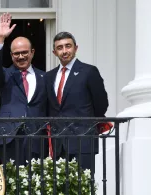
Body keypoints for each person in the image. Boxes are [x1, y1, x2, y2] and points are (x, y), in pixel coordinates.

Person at [0, 13, 48, 165]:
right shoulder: (5, 75)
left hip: (36, 138)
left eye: (24, 52)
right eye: (16, 53)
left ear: (32, 52)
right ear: (11, 55)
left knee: (35, 182)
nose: (20, 56)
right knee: (10, 181)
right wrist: (0, 39)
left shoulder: (45, 77)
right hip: (8, 137)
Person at [45, 31, 109, 170]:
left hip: (83, 140)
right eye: (60, 48)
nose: (64, 51)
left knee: (84, 188)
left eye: (68, 46)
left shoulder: (89, 71)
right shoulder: (49, 77)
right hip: (58, 144)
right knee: (60, 189)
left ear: (76, 48)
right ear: (54, 52)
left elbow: (101, 104)